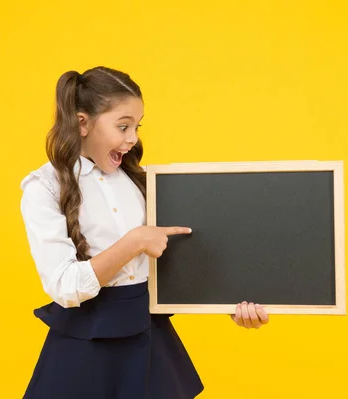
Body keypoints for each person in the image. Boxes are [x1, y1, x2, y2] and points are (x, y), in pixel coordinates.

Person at [19, 66, 269, 399]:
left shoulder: (141, 180)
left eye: (136, 127)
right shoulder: (44, 187)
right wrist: (134, 241)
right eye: (122, 126)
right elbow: (64, 286)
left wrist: (231, 306)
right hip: (87, 347)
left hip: (148, 340)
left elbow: (177, 257)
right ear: (82, 123)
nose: (133, 138)